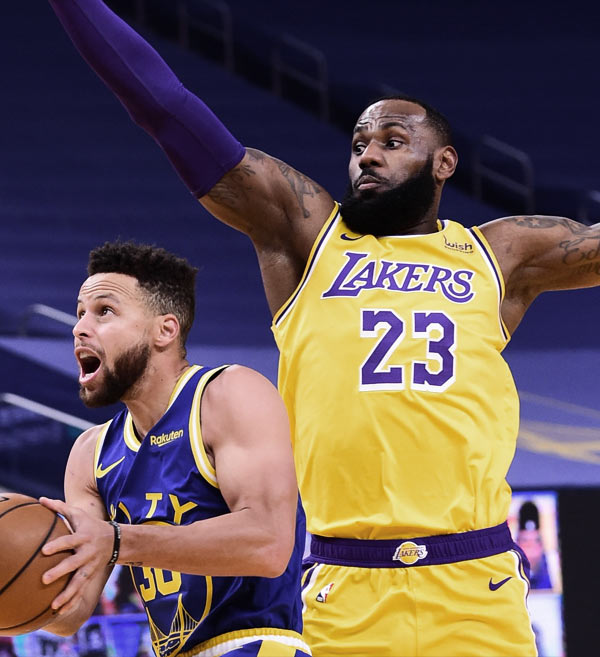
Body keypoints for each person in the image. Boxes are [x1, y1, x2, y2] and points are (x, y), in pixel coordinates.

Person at [46, 1, 600, 655]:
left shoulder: (499, 252)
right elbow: (167, 108)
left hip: (477, 583)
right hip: (343, 587)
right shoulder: (308, 236)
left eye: (393, 142)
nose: (368, 157)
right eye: (359, 145)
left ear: (444, 162)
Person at [40, 241, 310, 657]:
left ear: (165, 330)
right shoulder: (89, 454)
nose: (80, 328)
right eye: (80, 313)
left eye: (104, 311)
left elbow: (269, 543)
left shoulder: (228, 394)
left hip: (254, 644)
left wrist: (117, 540)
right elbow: (70, 612)